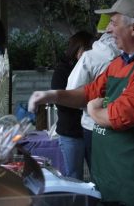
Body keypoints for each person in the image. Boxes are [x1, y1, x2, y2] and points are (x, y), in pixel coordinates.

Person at [28, 0, 134, 205]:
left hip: (133, 183)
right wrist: (52, 95)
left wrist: (92, 110)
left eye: (113, 23)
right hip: (109, 179)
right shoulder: (118, 64)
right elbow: (88, 92)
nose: (108, 30)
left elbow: (118, 116)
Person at [66, 16, 121, 172]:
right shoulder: (129, 57)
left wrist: (92, 107)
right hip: (124, 126)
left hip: (93, 126)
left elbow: (72, 91)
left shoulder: (91, 57)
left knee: (99, 175)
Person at [51, 31, 94, 180]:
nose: (89, 53)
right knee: (73, 178)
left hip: (91, 130)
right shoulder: (62, 69)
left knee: (97, 176)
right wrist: (85, 103)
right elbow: (60, 101)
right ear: (77, 48)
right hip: (70, 132)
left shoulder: (93, 66)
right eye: (86, 49)